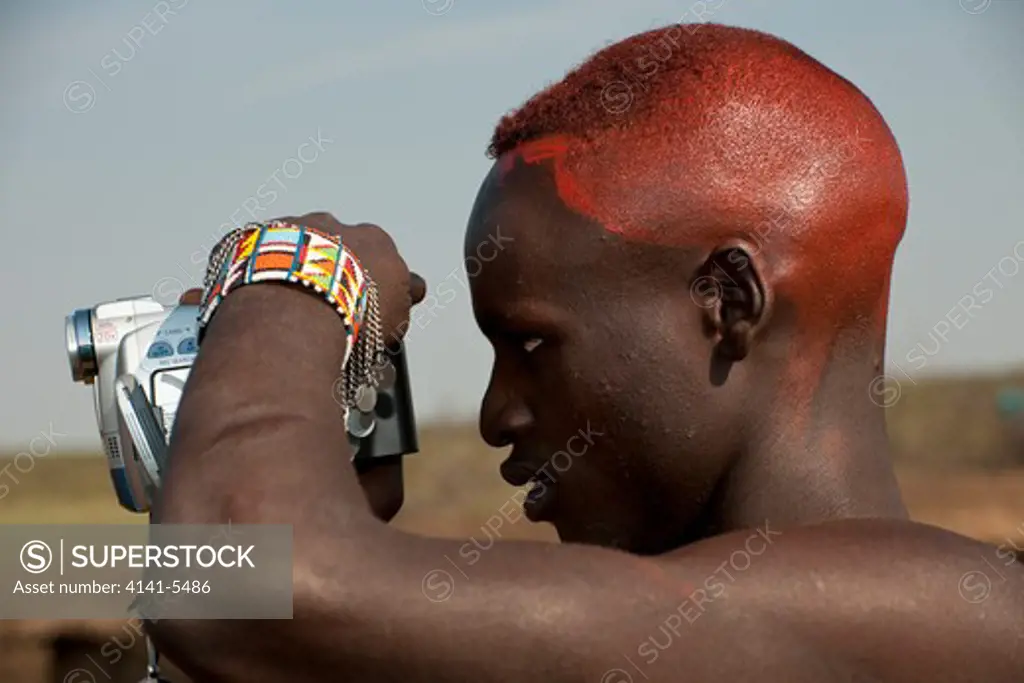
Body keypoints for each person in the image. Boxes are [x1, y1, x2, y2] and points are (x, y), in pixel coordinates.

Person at [148, 23, 1023, 682]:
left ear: (729, 301)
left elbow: (245, 586)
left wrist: (287, 283)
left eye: (530, 343)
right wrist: (334, 504)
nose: (496, 415)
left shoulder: (942, 615)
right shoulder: (661, 630)